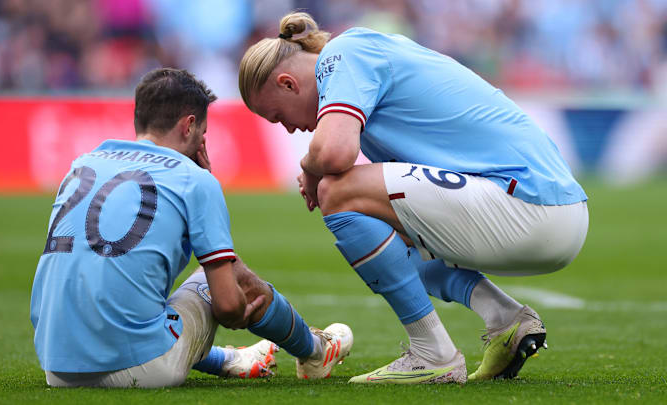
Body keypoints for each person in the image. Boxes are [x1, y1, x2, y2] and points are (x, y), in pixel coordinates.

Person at [238, 12, 588, 384]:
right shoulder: (362, 65)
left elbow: (334, 154)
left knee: (335, 190)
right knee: (389, 232)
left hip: (529, 204)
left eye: (279, 117)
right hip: (548, 211)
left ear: (288, 83)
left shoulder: (343, 53)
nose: (290, 128)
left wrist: (309, 166)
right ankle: (505, 319)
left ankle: (431, 353)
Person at [29, 68, 353, 388]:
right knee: (225, 276)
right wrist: (242, 305)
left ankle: (230, 359)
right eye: (203, 133)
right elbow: (228, 306)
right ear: (189, 125)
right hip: (141, 368)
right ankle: (314, 351)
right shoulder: (193, 179)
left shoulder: (82, 164)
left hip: (58, 368)